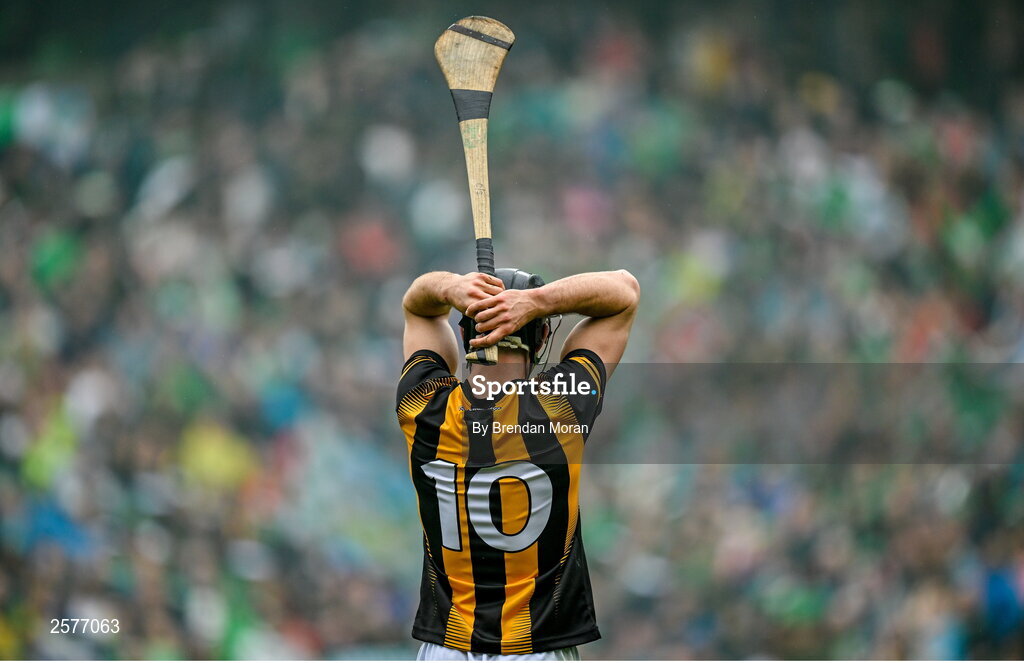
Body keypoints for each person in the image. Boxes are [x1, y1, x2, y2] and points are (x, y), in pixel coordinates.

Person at [397, 268, 640, 660]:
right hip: (537, 648)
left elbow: (418, 307)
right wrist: (537, 303)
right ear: (542, 337)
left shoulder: (422, 404)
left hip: (447, 649)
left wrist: (451, 287)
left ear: (465, 336)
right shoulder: (561, 404)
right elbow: (624, 292)